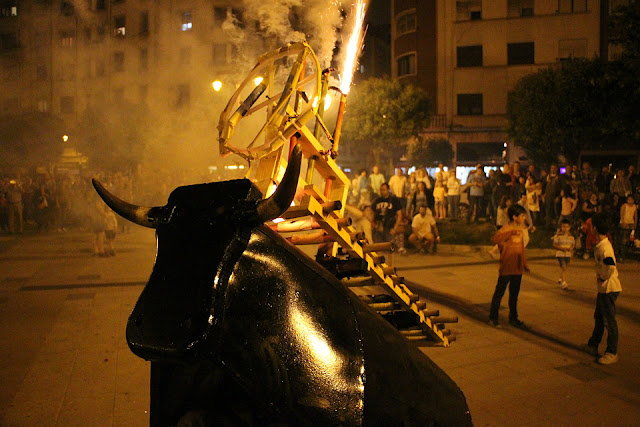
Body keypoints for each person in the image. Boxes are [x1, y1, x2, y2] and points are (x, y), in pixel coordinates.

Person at [585, 214, 622, 365]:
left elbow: (611, 266)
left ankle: (611, 352)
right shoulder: (601, 245)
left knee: (608, 320)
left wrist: (603, 277)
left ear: (594, 228)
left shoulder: (605, 248)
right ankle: (593, 344)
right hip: (603, 289)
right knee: (599, 317)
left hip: (609, 289)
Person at [488, 204, 530, 329]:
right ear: (514, 217)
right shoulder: (506, 229)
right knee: (499, 292)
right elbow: (495, 239)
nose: (524, 218)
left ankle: (513, 318)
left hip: (517, 267)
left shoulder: (521, 230)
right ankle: (493, 318)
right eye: (522, 216)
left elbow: (521, 249)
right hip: (506, 266)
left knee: (514, 294)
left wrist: (524, 264)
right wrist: (511, 232)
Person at [553, 219, 575, 290]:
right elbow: (554, 244)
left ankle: (560, 278)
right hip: (560, 254)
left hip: (568, 254)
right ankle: (564, 282)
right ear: (561, 227)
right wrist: (562, 248)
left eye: (567, 227)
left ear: (569, 227)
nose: (565, 228)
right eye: (563, 226)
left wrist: (571, 248)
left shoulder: (571, 237)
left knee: (565, 267)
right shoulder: (558, 236)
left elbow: (573, 245)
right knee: (563, 267)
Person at [617, 195, 637, 261]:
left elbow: (635, 216)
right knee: (623, 239)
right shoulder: (624, 206)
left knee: (630, 239)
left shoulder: (634, 207)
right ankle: (621, 255)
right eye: (629, 199)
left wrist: (635, 223)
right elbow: (622, 214)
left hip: (631, 223)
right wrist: (623, 222)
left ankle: (627, 253)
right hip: (624, 223)